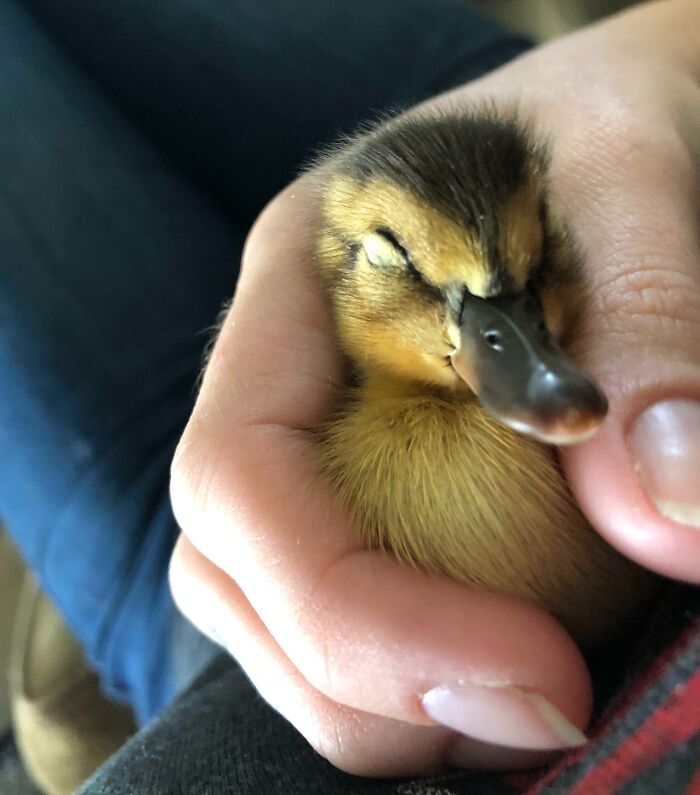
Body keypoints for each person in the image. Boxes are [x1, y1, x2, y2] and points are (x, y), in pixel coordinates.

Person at [0, 0, 697, 792]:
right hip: (538, 117)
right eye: (400, 259)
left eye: (523, 292)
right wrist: (668, 51)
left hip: (220, 600)